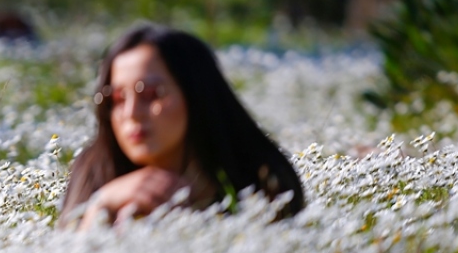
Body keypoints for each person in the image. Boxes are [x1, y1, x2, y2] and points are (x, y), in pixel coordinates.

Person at [60, 23, 305, 229]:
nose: (132, 113)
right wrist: (100, 208)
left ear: (197, 95)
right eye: (117, 99)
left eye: (153, 94)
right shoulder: (94, 174)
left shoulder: (261, 177)